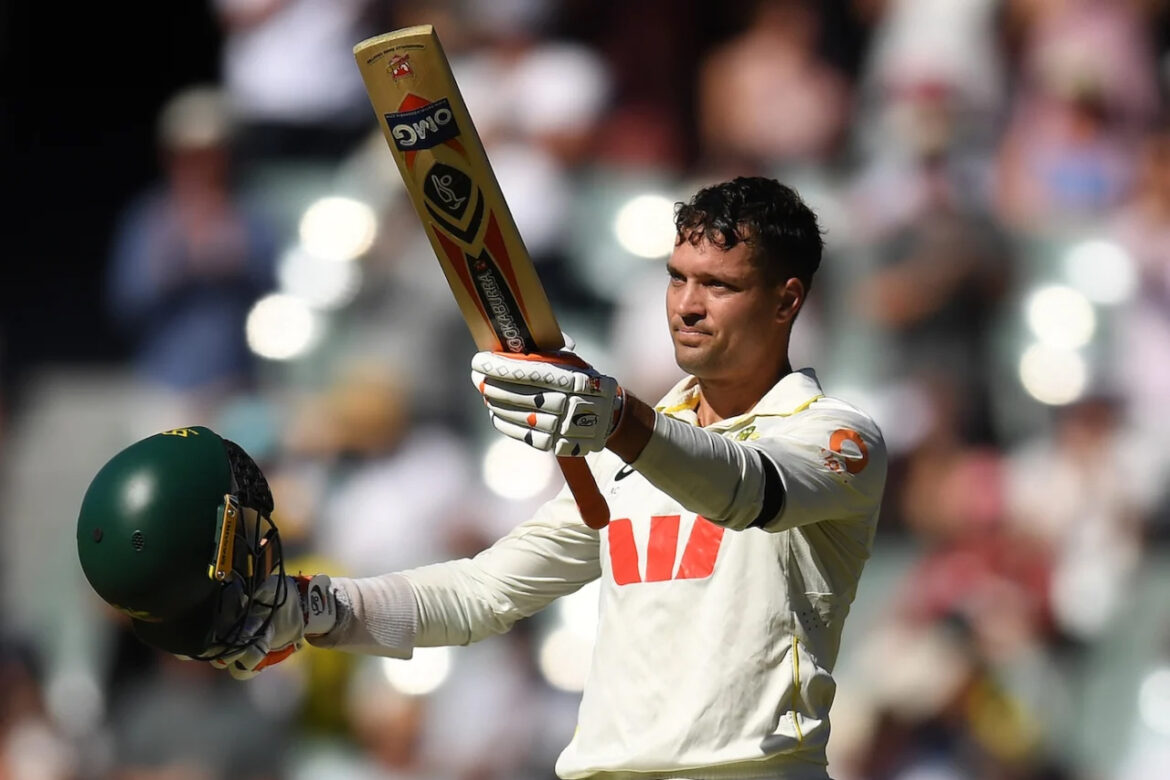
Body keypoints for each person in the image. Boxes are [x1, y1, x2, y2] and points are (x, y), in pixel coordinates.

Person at [77, 177, 888, 780]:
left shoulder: (837, 439)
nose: (687, 305)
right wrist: (313, 608)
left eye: (720, 285)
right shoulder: (628, 456)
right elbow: (482, 593)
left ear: (786, 301)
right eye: (678, 277)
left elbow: (746, 492)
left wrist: (618, 418)